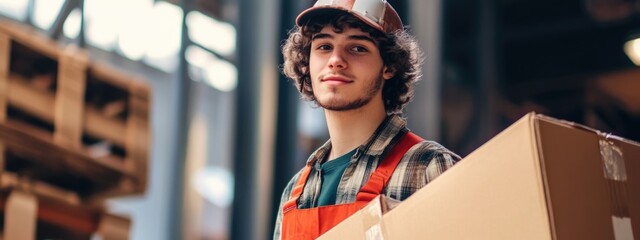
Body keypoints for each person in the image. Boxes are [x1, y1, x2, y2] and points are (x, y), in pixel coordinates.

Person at [274, 0, 461, 239]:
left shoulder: (429, 168)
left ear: (389, 65)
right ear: (307, 62)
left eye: (357, 48)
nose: (336, 59)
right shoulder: (294, 193)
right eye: (323, 46)